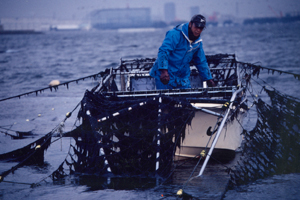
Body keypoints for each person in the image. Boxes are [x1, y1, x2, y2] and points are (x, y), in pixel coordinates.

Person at [150, 14, 215, 89]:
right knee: (165, 99)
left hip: (182, 77)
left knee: (186, 99)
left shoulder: (198, 43)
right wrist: (164, 71)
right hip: (165, 75)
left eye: (201, 28)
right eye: (196, 26)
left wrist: (208, 79)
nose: (198, 30)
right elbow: (164, 51)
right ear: (190, 24)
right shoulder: (174, 34)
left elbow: (201, 61)